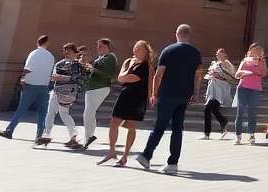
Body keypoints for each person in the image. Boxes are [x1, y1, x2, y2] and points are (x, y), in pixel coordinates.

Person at [135, 24, 203, 174]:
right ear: (189, 35)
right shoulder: (195, 53)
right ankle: (173, 163)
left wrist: (153, 93)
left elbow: (158, 74)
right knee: (178, 129)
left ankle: (146, 155)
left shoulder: (169, 50)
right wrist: (196, 93)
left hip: (167, 94)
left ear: (177, 34)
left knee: (160, 126)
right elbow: (198, 74)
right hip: (184, 95)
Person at [98, 40, 151, 167]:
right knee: (114, 122)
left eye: (140, 49)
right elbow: (120, 78)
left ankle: (125, 156)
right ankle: (111, 151)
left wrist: (126, 75)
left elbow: (135, 78)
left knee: (131, 127)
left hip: (138, 98)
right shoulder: (128, 62)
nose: (137, 51)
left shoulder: (146, 65)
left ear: (145, 52)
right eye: (135, 48)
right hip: (125, 95)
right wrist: (128, 70)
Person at [0, 34, 55, 143]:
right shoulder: (51, 56)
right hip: (44, 86)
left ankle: (9, 130)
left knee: (21, 109)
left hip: (31, 85)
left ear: (38, 42)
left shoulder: (33, 53)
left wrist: (22, 79)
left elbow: (27, 68)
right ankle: (39, 135)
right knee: (42, 112)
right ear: (47, 43)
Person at [79, 38, 119, 148]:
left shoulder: (110, 57)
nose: (98, 48)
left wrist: (93, 69)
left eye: (101, 46)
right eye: (97, 46)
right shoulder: (101, 58)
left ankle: (88, 138)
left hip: (100, 88)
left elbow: (109, 75)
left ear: (108, 47)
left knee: (88, 113)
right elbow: (92, 70)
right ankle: (89, 136)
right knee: (89, 113)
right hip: (92, 89)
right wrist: (86, 66)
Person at [44, 42, 86, 148]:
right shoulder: (59, 63)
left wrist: (62, 77)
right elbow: (53, 77)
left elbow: (77, 78)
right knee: (50, 113)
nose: (66, 53)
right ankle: (46, 135)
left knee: (64, 114)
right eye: (65, 51)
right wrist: (67, 77)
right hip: (56, 91)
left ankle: (74, 135)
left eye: (69, 51)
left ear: (74, 52)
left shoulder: (76, 65)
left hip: (68, 93)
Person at [234, 43, 267, 145]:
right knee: (240, 111)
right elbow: (237, 74)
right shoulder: (245, 60)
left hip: (255, 88)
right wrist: (241, 73)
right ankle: (238, 136)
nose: (257, 51)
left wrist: (261, 62)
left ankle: (251, 135)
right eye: (255, 49)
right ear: (250, 50)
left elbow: (264, 73)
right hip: (243, 87)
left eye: (259, 50)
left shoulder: (262, 60)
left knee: (252, 111)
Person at [202, 48, 238, 140]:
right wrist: (211, 74)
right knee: (210, 109)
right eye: (217, 54)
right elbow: (210, 73)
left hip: (221, 88)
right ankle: (221, 123)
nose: (218, 55)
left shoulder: (227, 64)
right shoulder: (214, 63)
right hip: (212, 87)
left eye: (220, 54)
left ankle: (209, 132)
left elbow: (231, 76)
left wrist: (218, 75)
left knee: (210, 108)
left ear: (224, 54)